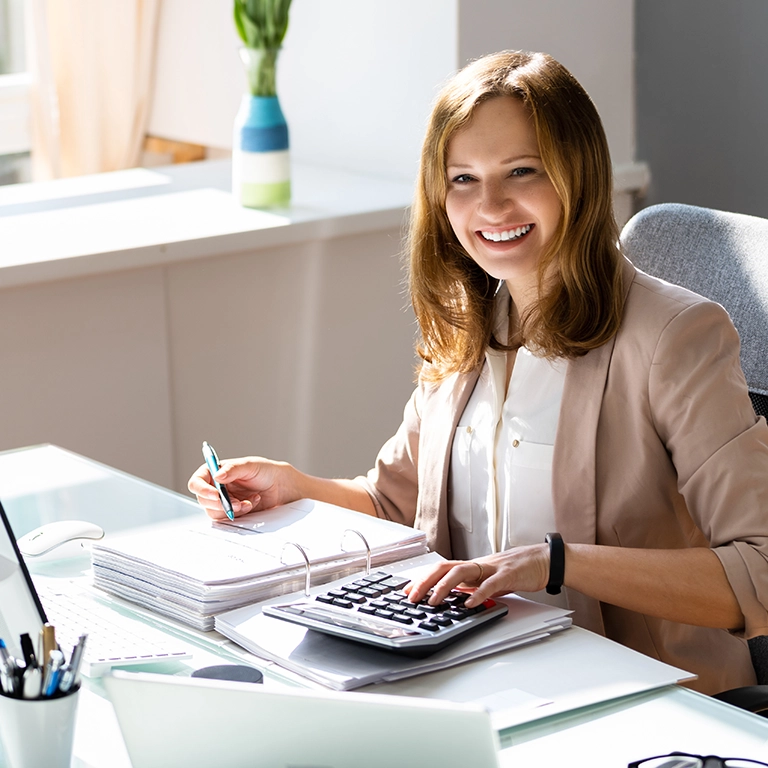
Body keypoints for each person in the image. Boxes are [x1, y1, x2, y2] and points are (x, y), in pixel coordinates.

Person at [189, 50, 768, 695]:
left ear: (578, 175)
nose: (489, 205)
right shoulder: (467, 324)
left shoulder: (674, 336)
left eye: (521, 171)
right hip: (474, 673)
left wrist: (557, 565)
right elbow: (397, 505)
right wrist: (295, 487)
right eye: (462, 179)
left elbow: (759, 571)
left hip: (638, 701)